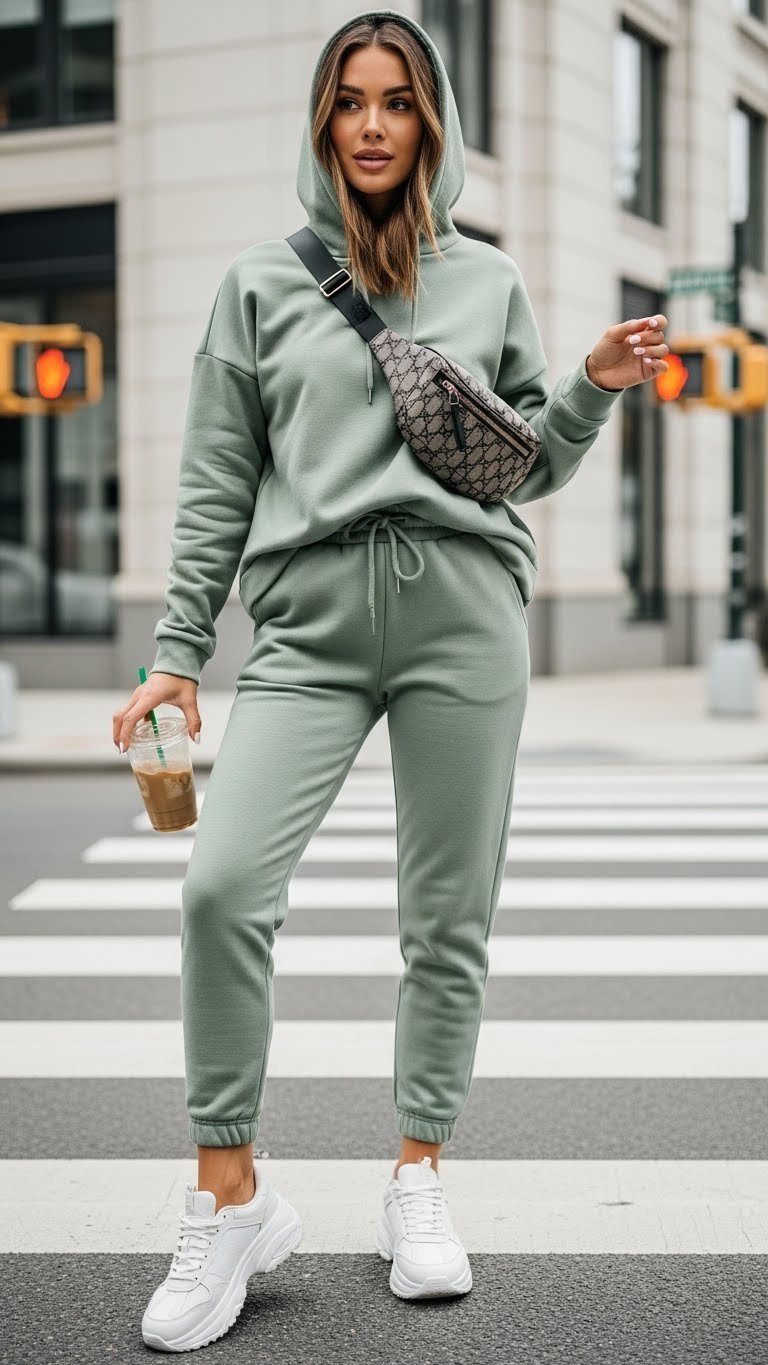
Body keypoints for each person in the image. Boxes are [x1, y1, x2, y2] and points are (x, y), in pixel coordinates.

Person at [112, 6, 668, 1350]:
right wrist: (179, 652)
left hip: (465, 612)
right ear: (323, 120)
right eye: (350, 100)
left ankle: (418, 1173)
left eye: (396, 100)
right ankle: (227, 1192)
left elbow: (524, 463)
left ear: (433, 123)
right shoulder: (258, 284)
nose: (371, 123)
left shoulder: (488, 281)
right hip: (305, 625)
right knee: (222, 885)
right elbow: (214, 485)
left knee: (447, 917)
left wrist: (587, 387)